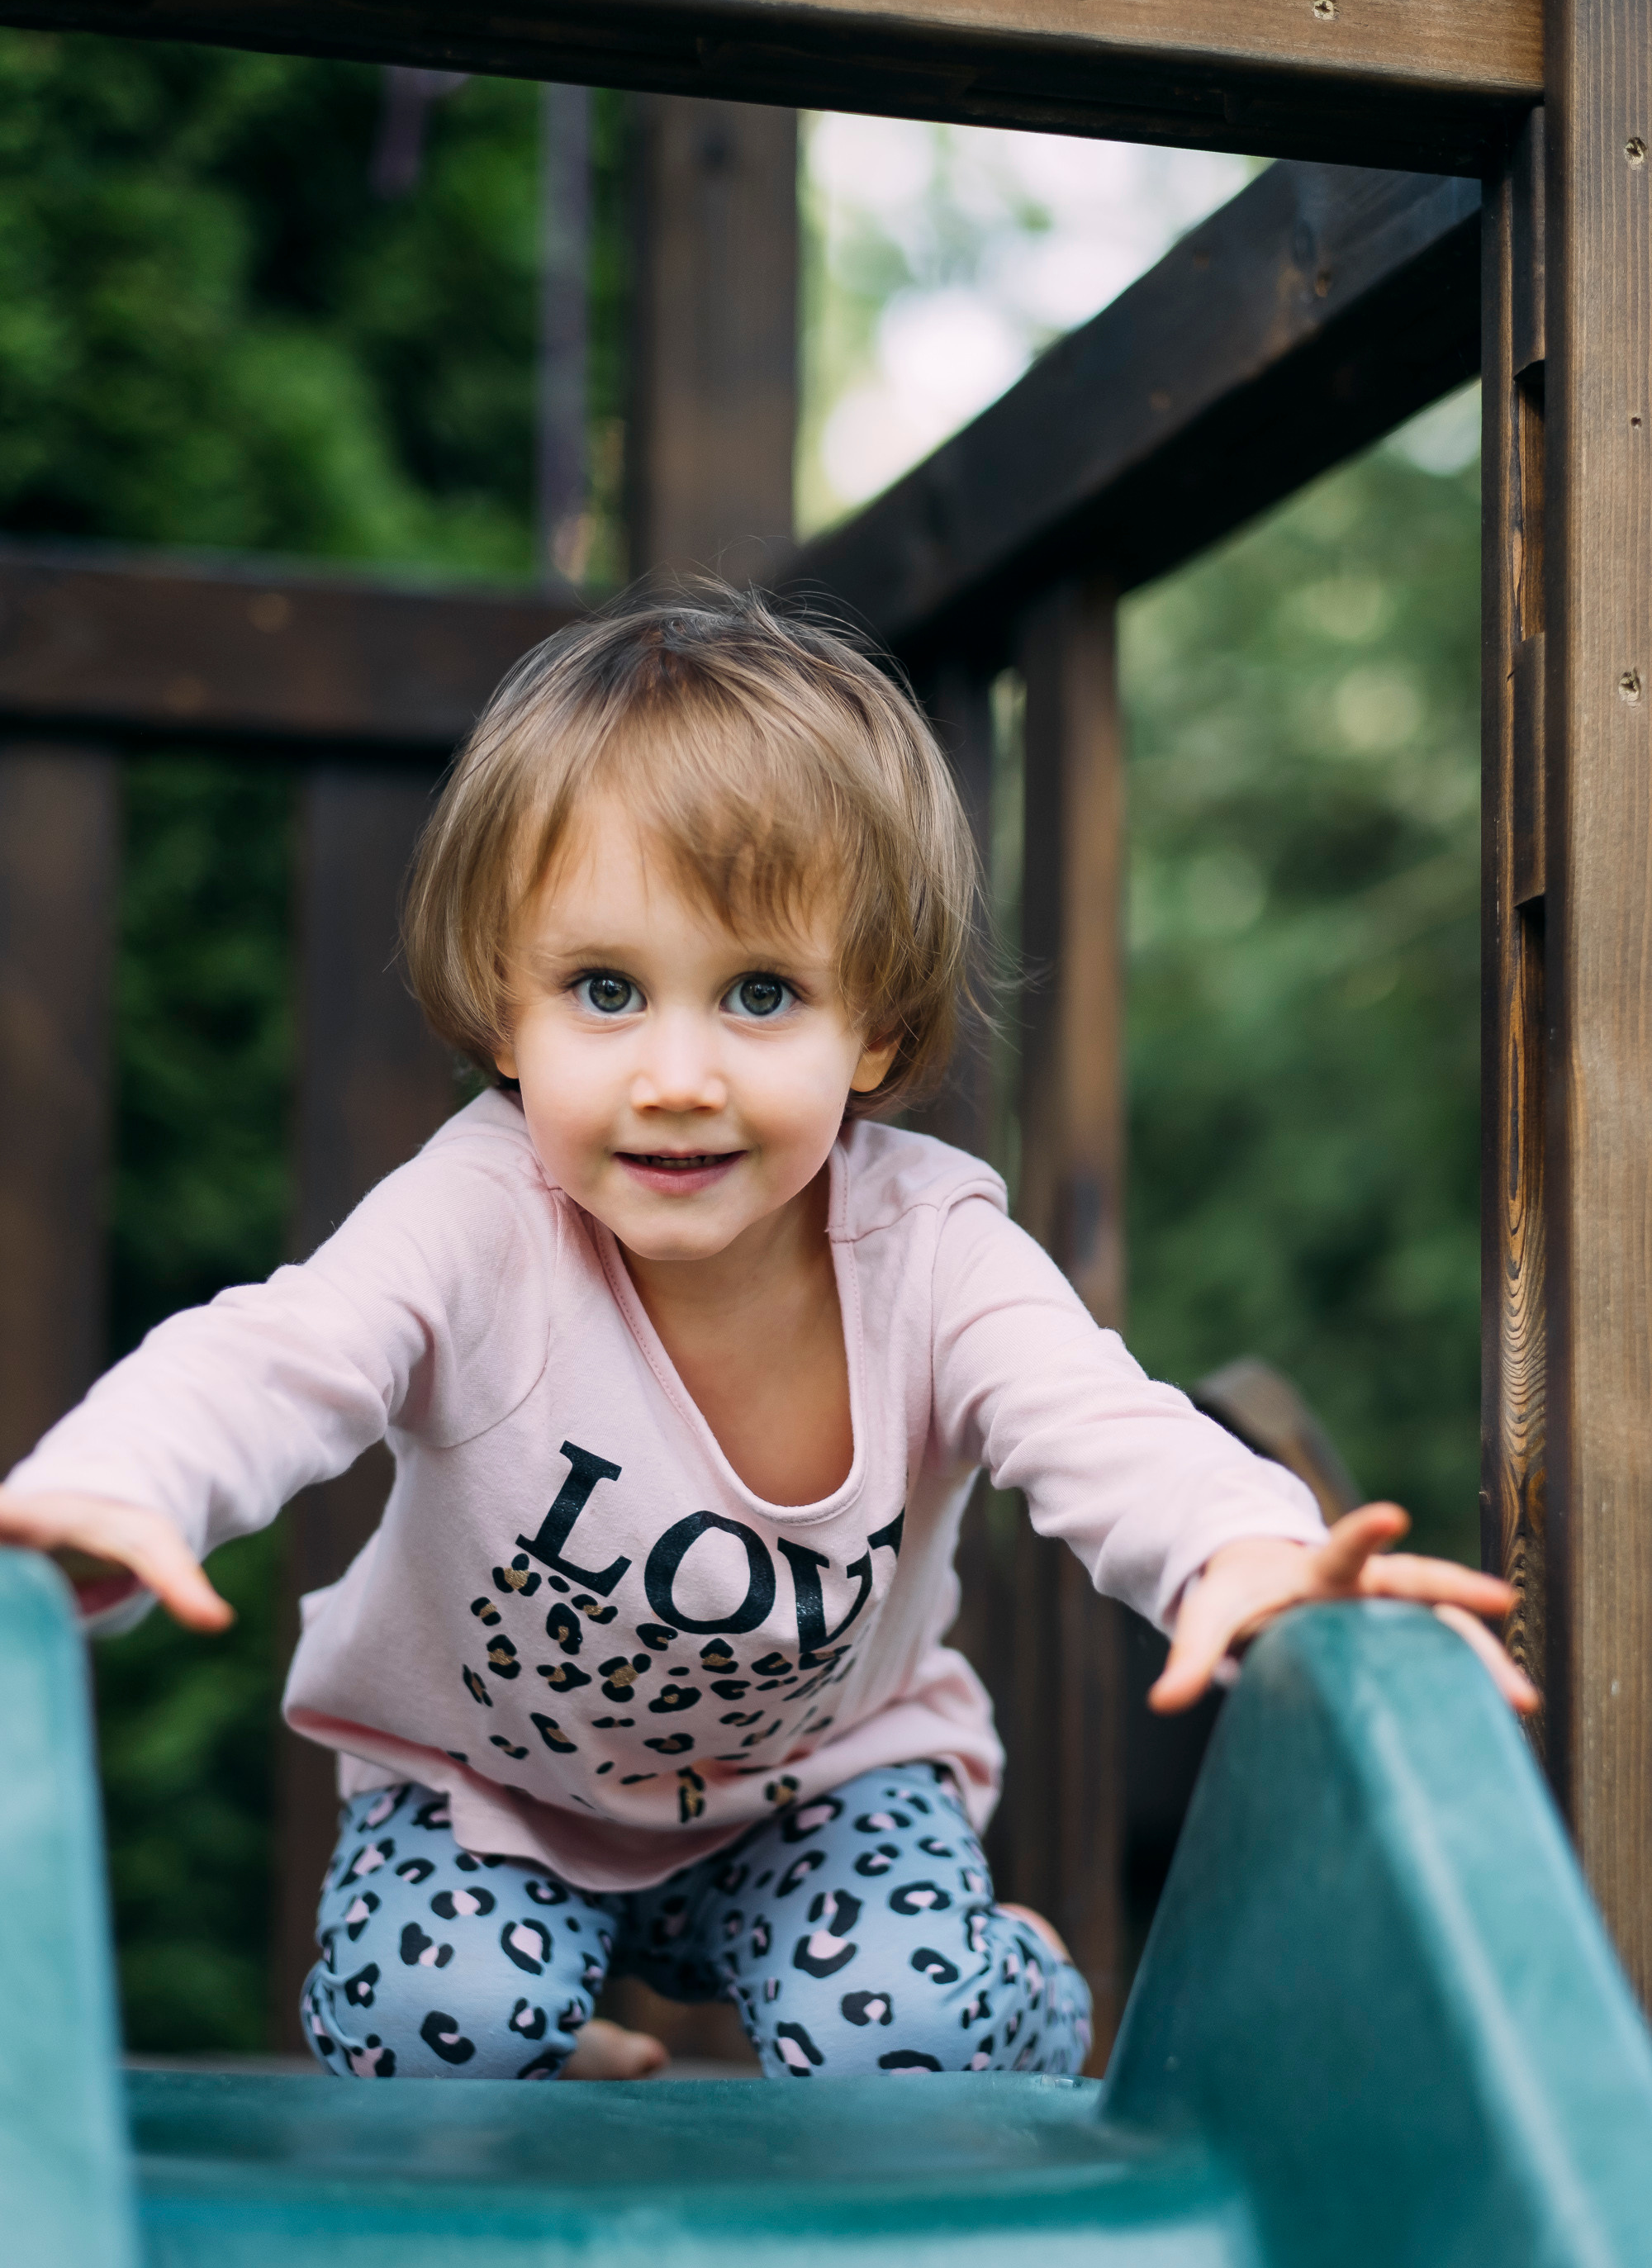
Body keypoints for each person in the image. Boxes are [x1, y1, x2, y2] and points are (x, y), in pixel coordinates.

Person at [0, 591, 1528, 2085]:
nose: (676, 1074)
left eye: (760, 994)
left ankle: (1022, 1996)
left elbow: (1098, 1423)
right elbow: (283, 1353)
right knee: (426, 2025)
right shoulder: (475, 1216)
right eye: (604, 991)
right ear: (502, 1009)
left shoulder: (933, 1253)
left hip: (828, 1793)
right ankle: (557, 2032)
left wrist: (1240, 1555)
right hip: (486, 1792)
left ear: (870, 1026)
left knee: (901, 2040)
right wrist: (123, 1486)